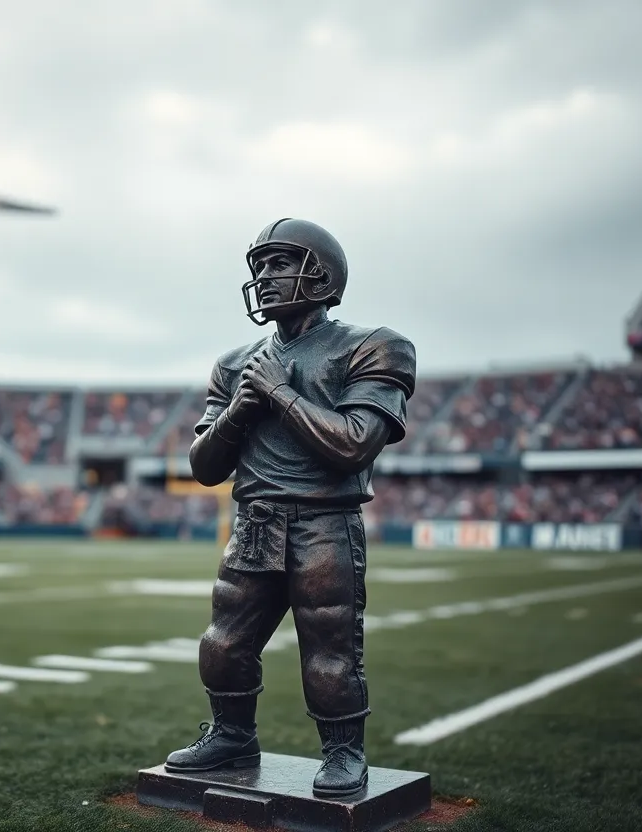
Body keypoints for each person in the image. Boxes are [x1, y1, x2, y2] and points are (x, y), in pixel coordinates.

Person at [164, 218, 416, 799]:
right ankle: (231, 734)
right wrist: (244, 405)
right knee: (223, 644)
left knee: (329, 648)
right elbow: (204, 467)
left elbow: (354, 443)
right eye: (259, 266)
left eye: (280, 263)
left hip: (325, 520)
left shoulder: (373, 344)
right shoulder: (235, 364)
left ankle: (343, 750)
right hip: (253, 522)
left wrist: (279, 391)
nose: (265, 276)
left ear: (323, 274)